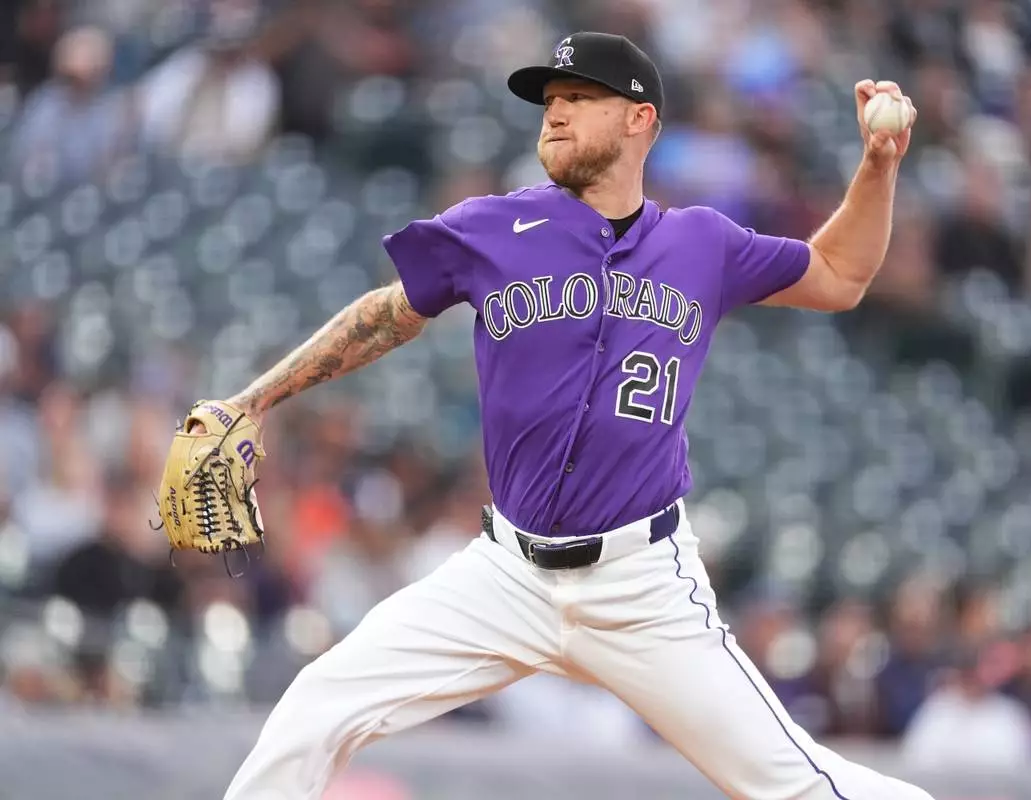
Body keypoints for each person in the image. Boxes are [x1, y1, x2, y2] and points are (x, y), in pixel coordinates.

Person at [211, 31, 929, 800]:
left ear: (640, 120)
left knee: (799, 784)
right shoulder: (492, 226)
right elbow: (387, 315)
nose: (554, 114)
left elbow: (840, 274)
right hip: (507, 574)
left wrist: (878, 166)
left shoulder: (701, 243)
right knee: (319, 705)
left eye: (580, 98)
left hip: (641, 585)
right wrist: (255, 399)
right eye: (550, 101)